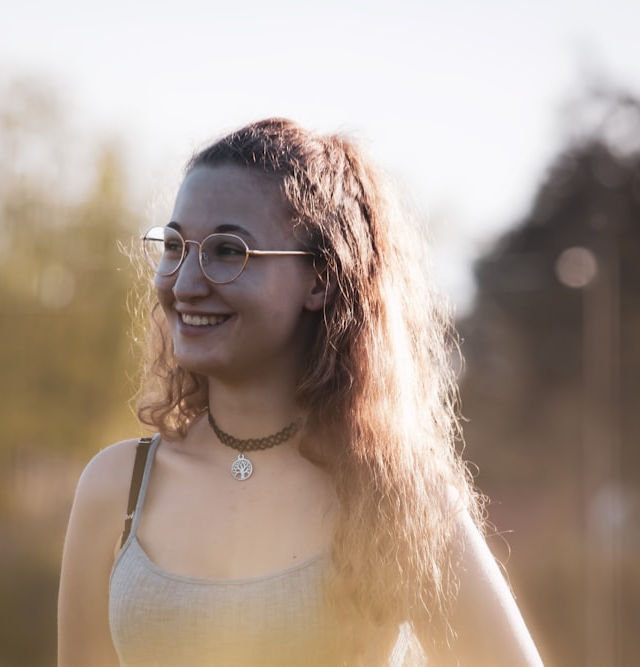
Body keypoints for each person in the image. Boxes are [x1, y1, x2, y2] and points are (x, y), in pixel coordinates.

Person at [57, 118, 543, 667]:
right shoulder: (115, 489)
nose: (186, 282)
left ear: (319, 280)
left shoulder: (396, 500)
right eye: (175, 246)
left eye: (226, 251)